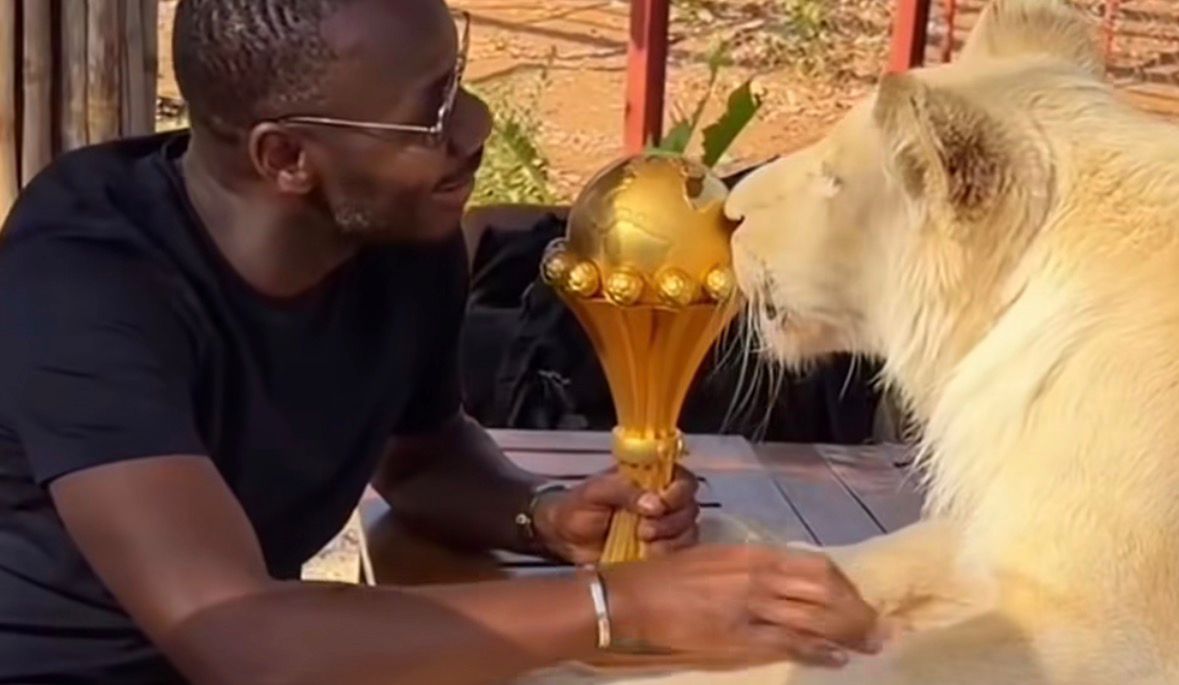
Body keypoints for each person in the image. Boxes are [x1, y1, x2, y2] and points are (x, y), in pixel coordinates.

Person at [0, 1, 884, 683]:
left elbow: (419, 457)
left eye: (456, 81)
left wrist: (539, 515)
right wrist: (614, 605)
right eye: (430, 115)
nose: (473, 127)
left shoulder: (397, 237)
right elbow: (237, 634)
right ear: (285, 158)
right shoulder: (87, 283)